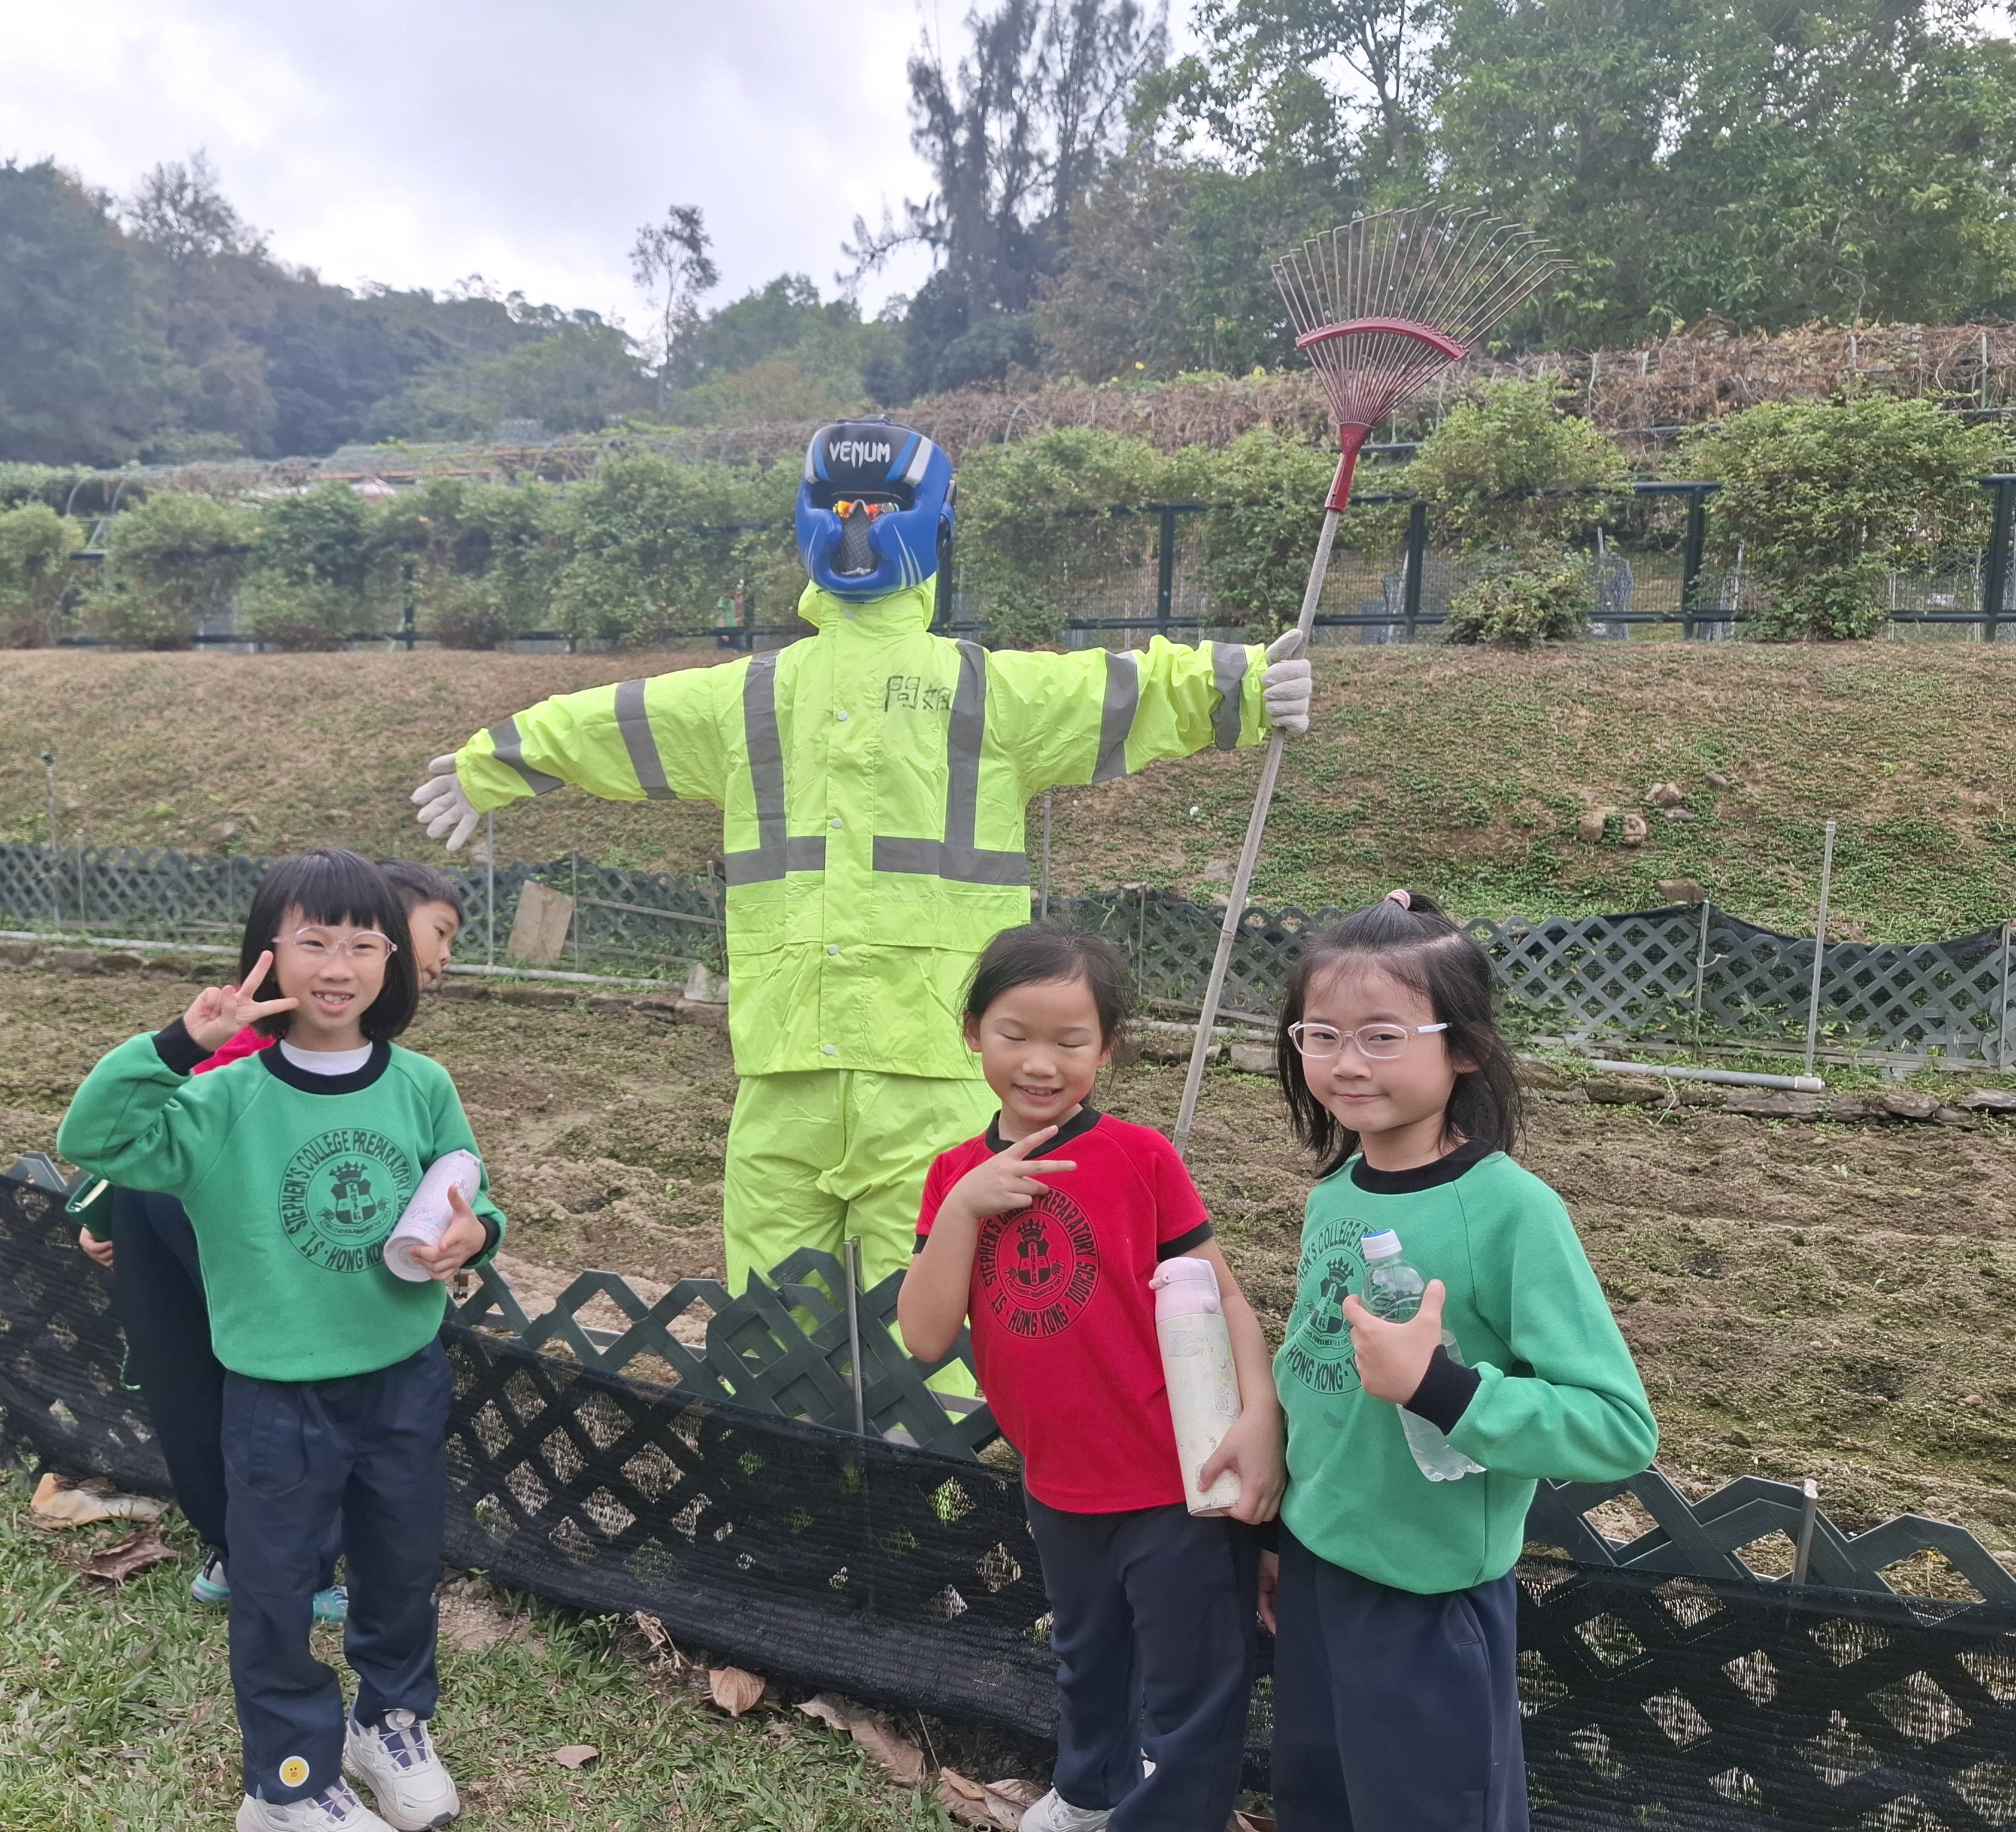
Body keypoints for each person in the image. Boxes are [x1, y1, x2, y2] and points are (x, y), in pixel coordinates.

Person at [411, 417, 1315, 1309]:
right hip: (895, 1064)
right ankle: (870, 1416)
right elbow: (618, 721)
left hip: (842, 1065)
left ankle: (811, 1414)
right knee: (904, 1325)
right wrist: (1238, 688)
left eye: (874, 506)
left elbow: (1122, 688)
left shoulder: (775, 696)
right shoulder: (961, 691)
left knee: (814, 1322)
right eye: (847, 505)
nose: (858, 523)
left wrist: (1236, 688)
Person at [61, 848, 500, 1832]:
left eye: (363, 944)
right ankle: (287, 1784)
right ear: (268, 953)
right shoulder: (223, 1100)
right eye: (313, 941)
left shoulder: (423, 1085)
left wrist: (476, 1233)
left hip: (404, 1377)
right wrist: (182, 1041)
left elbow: (465, 1183)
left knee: (401, 1570)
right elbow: (95, 1139)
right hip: (277, 1396)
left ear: (391, 961)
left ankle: (390, 1725)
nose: (338, 966)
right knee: (276, 1590)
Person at [1265, 890, 1659, 1832]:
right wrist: (1279, 1538)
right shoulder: (1336, 1195)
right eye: (1321, 1035)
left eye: (1382, 1037)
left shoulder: (1512, 1212)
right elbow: (1315, 1378)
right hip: (1318, 1570)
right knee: (1320, 1805)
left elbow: (1617, 1429)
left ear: (1467, 1048)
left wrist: (1441, 1389)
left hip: (1428, 1601)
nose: (1346, 1063)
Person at [898, 923, 1284, 1832]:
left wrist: (1261, 1412)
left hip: (1176, 1478)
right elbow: (923, 1337)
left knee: (1193, 1678)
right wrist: (963, 1210)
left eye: (1071, 1041)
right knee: (1087, 1657)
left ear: (1107, 1049)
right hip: (1059, 1481)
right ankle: (1087, 1797)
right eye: (1014, 1034)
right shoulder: (955, 1177)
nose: (1041, 1063)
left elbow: (1225, 1297)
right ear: (974, 1032)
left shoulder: (1141, 1159)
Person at [76, 859, 468, 1623]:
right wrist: (103, 1205)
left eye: (363, 946)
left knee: (209, 1377)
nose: (446, 954)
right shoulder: (262, 1055)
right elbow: (152, 1127)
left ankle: (248, 1552)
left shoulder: (402, 1072)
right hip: (200, 1204)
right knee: (247, 1379)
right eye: (440, 932)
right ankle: (270, 1559)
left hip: (179, 1199)